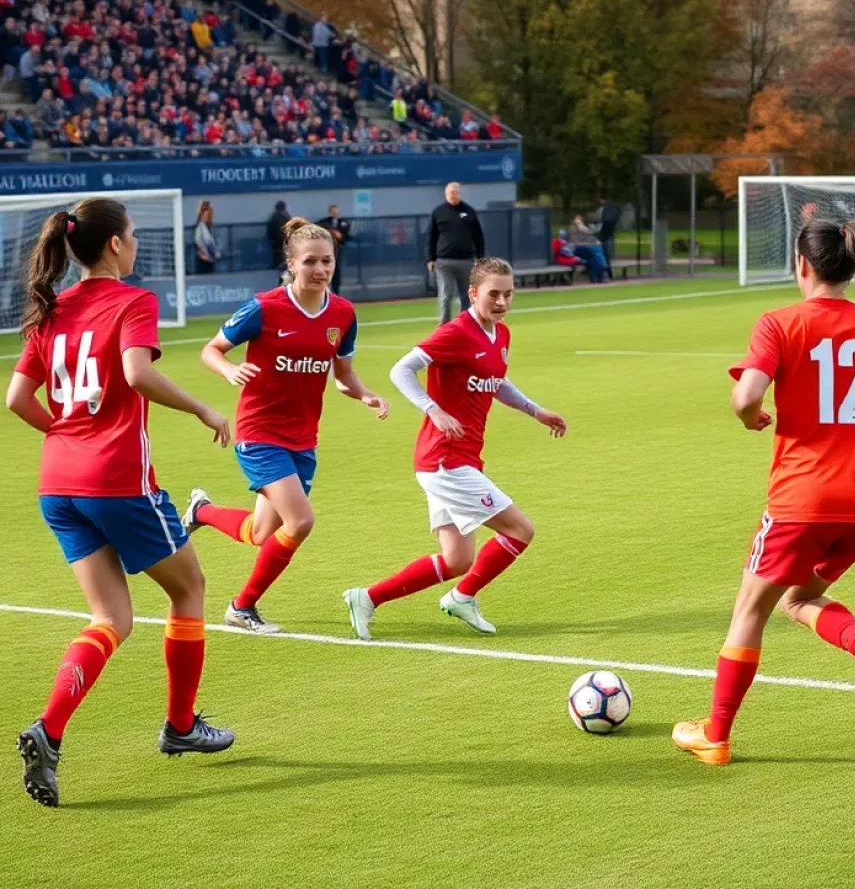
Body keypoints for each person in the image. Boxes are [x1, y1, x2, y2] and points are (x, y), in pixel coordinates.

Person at [672, 219, 855, 767]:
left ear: (801, 265)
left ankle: (715, 733)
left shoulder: (779, 323)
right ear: (851, 267)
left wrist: (753, 415)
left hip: (800, 500)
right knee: (799, 599)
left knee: (749, 610)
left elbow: (745, 397)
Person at [6, 198, 236, 808]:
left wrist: (67, 431)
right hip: (117, 480)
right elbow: (136, 374)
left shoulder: (50, 311)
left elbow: (16, 399)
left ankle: (49, 731)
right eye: (132, 235)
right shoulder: (133, 300)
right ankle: (181, 727)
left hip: (58, 483)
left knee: (111, 619)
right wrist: (204, 407)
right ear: (115, 245)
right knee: (189, 589)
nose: (134, 243)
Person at [343, 258, 567, 640]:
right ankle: (463, 597)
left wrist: (535, 410)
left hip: (458, 458)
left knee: (457, 559)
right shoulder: (456, 331)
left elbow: (496, 382)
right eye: (493, 293)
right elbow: (401, 369)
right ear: (473, 292)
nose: (501, 301)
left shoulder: (501, 335)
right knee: (520, 531)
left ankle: (366, 598)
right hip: (445, 459)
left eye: (508, 294)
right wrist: (434, 409)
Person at [184, 219, 389, 634]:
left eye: (326, 260)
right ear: (291, 264)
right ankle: (242, 607)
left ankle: (201, 511)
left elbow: (343, 373)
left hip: (303, 437)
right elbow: (212, 349)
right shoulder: (264, 307)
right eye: (310, 261)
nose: (320, 269)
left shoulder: (343, 313)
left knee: (262, 533)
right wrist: (228, 370)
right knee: (300, 522)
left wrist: (365, 394)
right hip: (260, 433)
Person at [427, 182, 485, 324]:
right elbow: (431, 237)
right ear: (446, 194)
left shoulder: (469, 211)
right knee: (446, 293)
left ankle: (464, 324)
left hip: (466, 260)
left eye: (456, 192)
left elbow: (478, 236)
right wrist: (430, 258)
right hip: (444, 261)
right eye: (451, 192)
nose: (453, 194)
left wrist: (481, 257)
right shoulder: (438, 212)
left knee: (467, 295)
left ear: (459, 193)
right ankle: (445, 324)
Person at [317, 204, 352, 295]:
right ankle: (325, 291)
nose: (335, 213)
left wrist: (340, 235)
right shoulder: (326, 222)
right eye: (332, 211)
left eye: (336, 211)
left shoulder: (343, 222)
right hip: (326, 250)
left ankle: (336, 292)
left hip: (338, 250)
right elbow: (318, 225)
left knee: (336, 269)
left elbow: (347, 236)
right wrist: (332, 230)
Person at [596, 193, 620, 280]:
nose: (598, 202)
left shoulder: (609, 208)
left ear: (603, 199)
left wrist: (602, 230)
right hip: (608, 234)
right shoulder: (611, 207)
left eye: (599, 200)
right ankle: (608, 273)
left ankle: (608, 274)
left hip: (607, 234)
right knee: (606, 255)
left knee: (607, 254)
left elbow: (608, 221)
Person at [193, 201, 220, 275]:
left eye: (209, 215)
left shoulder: (210, 228)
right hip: (203, 261)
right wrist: (205, 255)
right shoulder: (199, 227)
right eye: (205, 215)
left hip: (210, 260)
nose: (207, 217)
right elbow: (198, 242)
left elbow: (213, 242)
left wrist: (216, 252)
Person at [266, 200, 290, 274]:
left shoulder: (274, 216)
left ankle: (278, 265)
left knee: (277, 253)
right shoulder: (286, 216)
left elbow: (270, 229)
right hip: (283, 239)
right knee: (283, 253)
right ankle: (283, 266)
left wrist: (271, 239)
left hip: (277, 239)